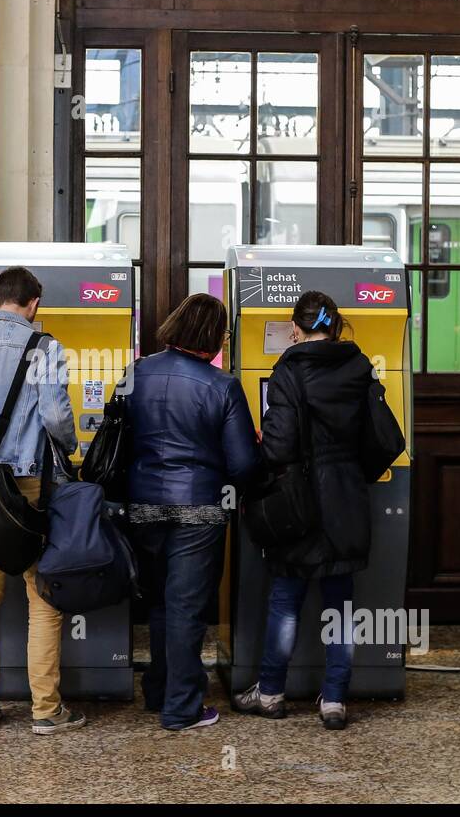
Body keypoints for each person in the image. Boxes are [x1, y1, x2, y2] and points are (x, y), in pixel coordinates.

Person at [0, 267, 85, 735]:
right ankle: (46, 711)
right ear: (34, 304)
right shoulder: (46, 347)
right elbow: (54, 415)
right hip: (31, 488)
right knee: (42, 597)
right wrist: (71, 448)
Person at [232, 291, 374, 731]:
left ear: (296, 328)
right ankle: (334, 700)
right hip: (348, 498)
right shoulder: (359, 365)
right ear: (335, 325)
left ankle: (271, 692)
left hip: (299, 502)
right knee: (341, 606)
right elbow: (377, 431)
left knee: (286, 601)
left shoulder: (288, 371)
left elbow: (277, 445)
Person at [125, 293, 259, 730]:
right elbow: (241, 465)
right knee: (186, 606)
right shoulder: (223, 386)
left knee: (162, 602)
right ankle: (182, 708)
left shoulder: (136, 372)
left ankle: (159, 690)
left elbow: (119, 439)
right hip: (199, 508)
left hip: (143, 503)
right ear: (213, 337)